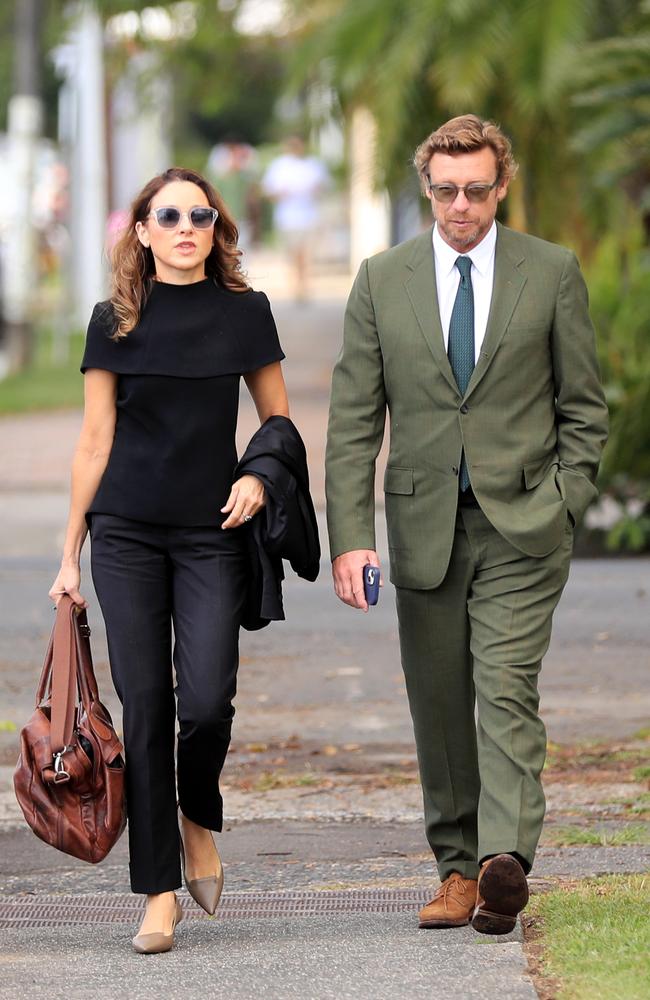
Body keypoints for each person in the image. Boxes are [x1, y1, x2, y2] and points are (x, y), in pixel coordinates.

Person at [325, 115, 608, 934]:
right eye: (446, 190)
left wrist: (567, 502)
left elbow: (584, 407)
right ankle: (456, 871)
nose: (461, 205)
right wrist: (350, 534)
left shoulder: (549, 272)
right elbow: (352, 420)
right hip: (422, 528)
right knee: (440, 703)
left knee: (506, 688)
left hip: (525, 524)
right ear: (427, 188)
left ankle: (504, 861)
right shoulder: (383, 279)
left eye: (476, 189)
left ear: (501, 185)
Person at [49, 167, 292, 953]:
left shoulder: (245, 315)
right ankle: (157, 891)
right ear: (144, 231)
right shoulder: (112, 321)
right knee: (146, 706)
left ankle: (198, 818)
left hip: (208, 531)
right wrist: (68, 556)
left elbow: (278, 422)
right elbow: (93, 441)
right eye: (169, 215)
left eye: (200, 214)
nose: (186, 226)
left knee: (210, 701)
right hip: (124, 532)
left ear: (217, 229)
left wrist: (257, 474)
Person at [262, 136, 329, 301]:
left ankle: (303, 285)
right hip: (287, 218)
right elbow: (269, 192)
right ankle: (296, 283)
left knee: (306, 252)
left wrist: (314, 190)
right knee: (293, 252)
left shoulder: (313, 165)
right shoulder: (279, 166)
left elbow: (323, 187)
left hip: (308, 217)